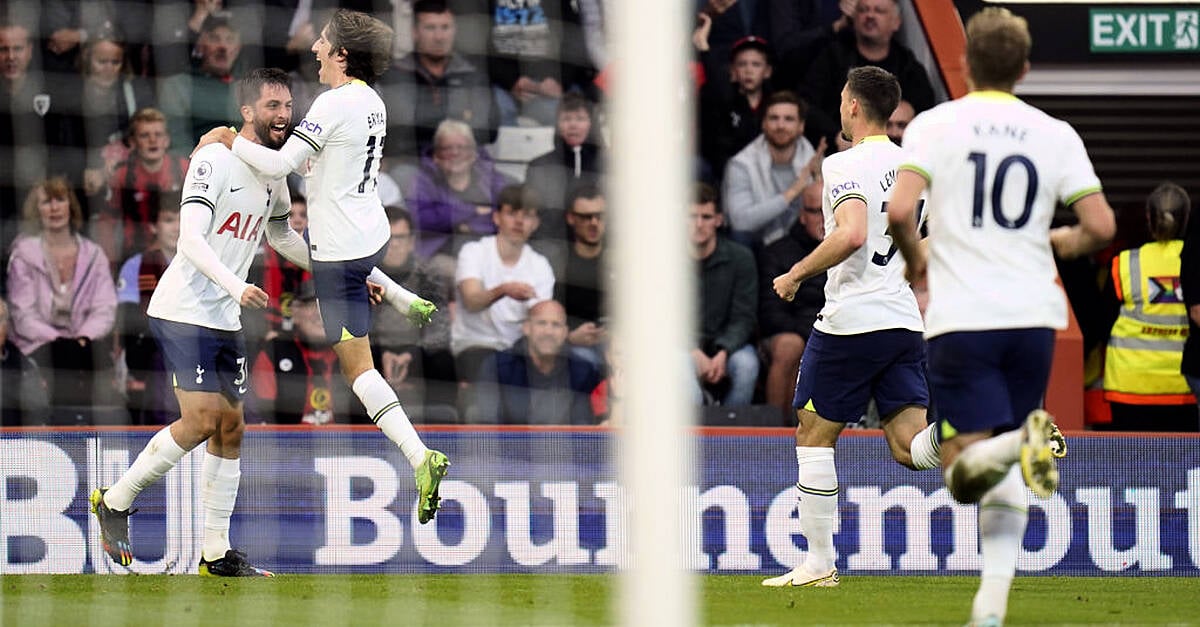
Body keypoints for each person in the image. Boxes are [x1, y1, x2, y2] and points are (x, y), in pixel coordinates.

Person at [886, 9, 1116, 624]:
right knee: (1000, 469)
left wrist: (916, 267)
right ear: (1024, 68)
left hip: (963, 318)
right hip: (1033, 317)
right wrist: (1054, 243)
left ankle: (1019, 441)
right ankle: (989, 608)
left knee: (963, 470)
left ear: (965, 64)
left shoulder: (935, 126)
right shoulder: (1054, 132)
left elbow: (900, 211)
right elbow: (1100, 226)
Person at [196, 10, 450, 525]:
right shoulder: (373, 100)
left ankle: (420, 456)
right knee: (340, 268)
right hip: (371, 236)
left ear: (341, 54)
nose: (314, 47)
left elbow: (277, 165)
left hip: (337, 249)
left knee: (359, 372)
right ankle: (403, 296)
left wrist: (227, 139)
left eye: (323, 41)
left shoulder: (334, 103)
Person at [90, 68, 304, 577]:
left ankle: (215, 553)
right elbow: (189, 240)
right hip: (185, 307)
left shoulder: (274, 173)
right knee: (203, 421)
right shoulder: (213, 158)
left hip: (227, 315)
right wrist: (236, 286)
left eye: (288, 106)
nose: (283, 115)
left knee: (232, 427)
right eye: (272, 106)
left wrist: (343, 270)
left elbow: (282, 237)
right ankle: (115, 500)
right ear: (247, 111)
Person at [761, 67, 940, 589]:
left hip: (852, 322)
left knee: (814, 435)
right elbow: (927, 245)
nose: (840, 108)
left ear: (855, 107)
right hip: (904, 320)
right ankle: (990, 434)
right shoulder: (916, 166)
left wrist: (796, 274)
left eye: (842, 100)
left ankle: (818, 565)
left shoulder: (843, 164)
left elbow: (853, 233)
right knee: (910, 447)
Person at [7, 177, 118, 421]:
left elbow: (105, 308)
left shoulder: (93, 254)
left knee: (92, 364)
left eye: (60, 200)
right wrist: (58, 340)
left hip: (85, 344)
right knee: (60, 361)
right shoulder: (23, 253)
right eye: (46, 202)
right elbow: (22, 314)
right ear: (36, 209)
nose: (54, 208)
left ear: (71, 205)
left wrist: (82, 338)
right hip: (36, 346)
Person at [1103, 182, 1197, 431]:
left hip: (1130, 387)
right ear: (1186, 219)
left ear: (1149, 218)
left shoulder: (1124, 264)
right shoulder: (1195, 261)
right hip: (1186, 388)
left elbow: (1101, 323)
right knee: (1186, 467)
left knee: (1132, 467)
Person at [451, 184, 555, 394]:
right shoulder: (474, 252)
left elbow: (541, 318)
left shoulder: (541, 264)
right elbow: (471, 301)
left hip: (521, 348)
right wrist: (503, 290)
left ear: (535, 223)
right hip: (475, 344)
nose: (518, 221)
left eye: (526, 215)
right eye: (511, 213)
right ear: (496, 217)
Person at [378, 0, 496, 173]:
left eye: (445, 27)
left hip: (464, 161)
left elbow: (489, 128)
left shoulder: (472, 73)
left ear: (454, 30)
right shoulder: (396, 74)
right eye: (430, 28)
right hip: (412, 163)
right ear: (415, 32)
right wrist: (457, 122)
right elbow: (400, 132)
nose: (439, 37)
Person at [801, 0, 935, 149]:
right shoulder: (833, 57)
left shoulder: (908, 66)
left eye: (879, 11)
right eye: (863, 10)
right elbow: (806, 106)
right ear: (854, 18)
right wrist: (836, 135)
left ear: (896, 22)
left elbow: (927, 117)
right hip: (839, 154)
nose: (870, 15)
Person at [756, 180, 826, 420]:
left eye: (829, 209)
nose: (824, 219)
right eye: (816, 211)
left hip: (832, 332)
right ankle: (777, 432)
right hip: (789, 333)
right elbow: (770, 313)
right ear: (802, 215)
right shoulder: (777, 252)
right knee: (791, 346)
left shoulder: (852, 250)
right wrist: (810, 335)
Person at [722, 90, 824, 250]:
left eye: (789, 119)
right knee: (740, 237)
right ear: (763, 123)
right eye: (774, 118)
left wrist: (818, 179)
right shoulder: (741, 164)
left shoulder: (815, 162)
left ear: (801, 126)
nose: (781, 125)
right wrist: (793, 192)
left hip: (801, 243)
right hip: (758, 242)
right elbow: (740, 221)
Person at [473, 299, 602, 424]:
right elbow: (487, 425)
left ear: (565, 333)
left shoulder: (581, 370)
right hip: (509, 444)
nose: (548, 332)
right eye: (541, 323)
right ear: (526, 328)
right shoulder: (496, 366)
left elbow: (582, 427)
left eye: (556, 325)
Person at [252, 279, 363, 425]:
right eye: (312, 305)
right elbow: (263, 417)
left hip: (351, 444)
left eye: (327, 306)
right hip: (288, 445)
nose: (320, 313)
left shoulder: (355, 352)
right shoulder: (274, 352)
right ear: (295, 312)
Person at [115, 194, 182, 425]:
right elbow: (128, 321)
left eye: (183, 219)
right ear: (154, 226)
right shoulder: (135, 266)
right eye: (169, 220)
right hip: (150, 348)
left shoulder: (202, 264)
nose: (177, 227)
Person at [690, 183, 758, 407]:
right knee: (678, 371)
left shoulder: (740, 258)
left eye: (706, 217)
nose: (698, 224)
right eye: (691, 216)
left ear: (719, 219)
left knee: (747, 366)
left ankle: (728, 438)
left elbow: (744, 316)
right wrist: (691, 350)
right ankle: (688, 437)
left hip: (728, 345)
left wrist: (724, 351)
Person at [404, 118, 508, 263]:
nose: (455, 153)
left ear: (473, 153)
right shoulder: (423, 180)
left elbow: (505, 217)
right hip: (440, 255)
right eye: (447, 148)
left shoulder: (491, 179)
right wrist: (471, 211)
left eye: (462, 147)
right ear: (436, 155)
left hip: (489, 253)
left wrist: (465, 226)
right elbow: (420, 219)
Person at [98, 107, 189, 271]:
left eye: (158, 135)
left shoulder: (183, 169)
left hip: (180, 254)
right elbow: (107, 223)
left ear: (167, 140)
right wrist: (109, 265)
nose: (152, 140)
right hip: (135, 257)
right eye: (144, 135)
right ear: (132, 143)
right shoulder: (122, 176)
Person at [158, 12, 242, 155]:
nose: (222, 46)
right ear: (201, 44)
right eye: (215, 38)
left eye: (230, 39)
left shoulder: (247, 87)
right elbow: (176, 142)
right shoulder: (179, 85)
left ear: (239, 47)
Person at [554, 182, 608, 369]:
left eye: (600, 216)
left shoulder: (622, 262)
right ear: (570, 218)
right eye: (586, 217)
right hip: (572, 346)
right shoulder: (557, 263)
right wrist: (569, 336)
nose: (594, 223)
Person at [0, 297, 50, 426]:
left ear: (6, 327)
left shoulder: (25, 366)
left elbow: (38, 415)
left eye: (0, 320)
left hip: (16, 443)